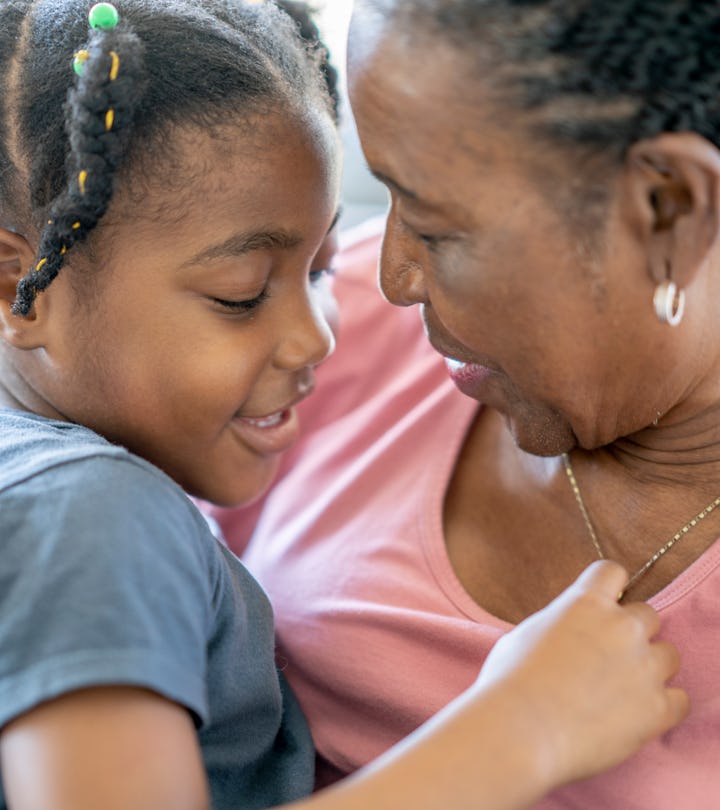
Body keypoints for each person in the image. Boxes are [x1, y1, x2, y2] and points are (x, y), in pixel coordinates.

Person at [0, 1, 687, 809]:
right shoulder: (92, 514)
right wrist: (521, 730)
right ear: (19, 287)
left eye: (322, 269)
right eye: (242, 295)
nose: (318, 337)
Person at [205, 0, 720, 806]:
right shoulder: (310, 324)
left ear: (670, 209)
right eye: (388, 199)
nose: (392, 277)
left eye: (439, 232)